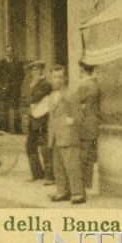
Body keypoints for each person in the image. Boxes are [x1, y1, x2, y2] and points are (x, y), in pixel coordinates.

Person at [47, 65, 85, 204]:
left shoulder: (71, 94)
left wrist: (72, 120)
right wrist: (50, 137)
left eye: (60, 77)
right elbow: (51, 118)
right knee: (58, 166)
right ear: (51, 79)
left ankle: (78, 193)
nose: (57, 80)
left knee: (72, 165)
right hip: (56, 136)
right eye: (55, 77)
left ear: (65, 78)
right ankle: (62, 191)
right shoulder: (51, 96)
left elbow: (80, 116)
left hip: (68, 135)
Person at [24, 60, 54, 183]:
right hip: (33, 118)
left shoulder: (45, 84)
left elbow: (33, 98)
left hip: (43, 118)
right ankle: (37, 173)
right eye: (33, 70)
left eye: (37, 69)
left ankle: (49, 176)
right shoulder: (31, 84)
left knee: (45, 147)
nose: (35, 72)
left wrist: (31, 91)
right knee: (29, 146)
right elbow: (26, 99)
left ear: (41, 70)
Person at [76, 60, 103, 192]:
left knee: (84, 156)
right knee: (90, 155)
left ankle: (82, 187)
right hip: (94, 123)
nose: (79, 73)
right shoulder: (95, 84)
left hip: (86, 124)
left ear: (83, 70)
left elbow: (75, 102)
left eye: (80, 70)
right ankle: (87, 186)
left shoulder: (85, 85)